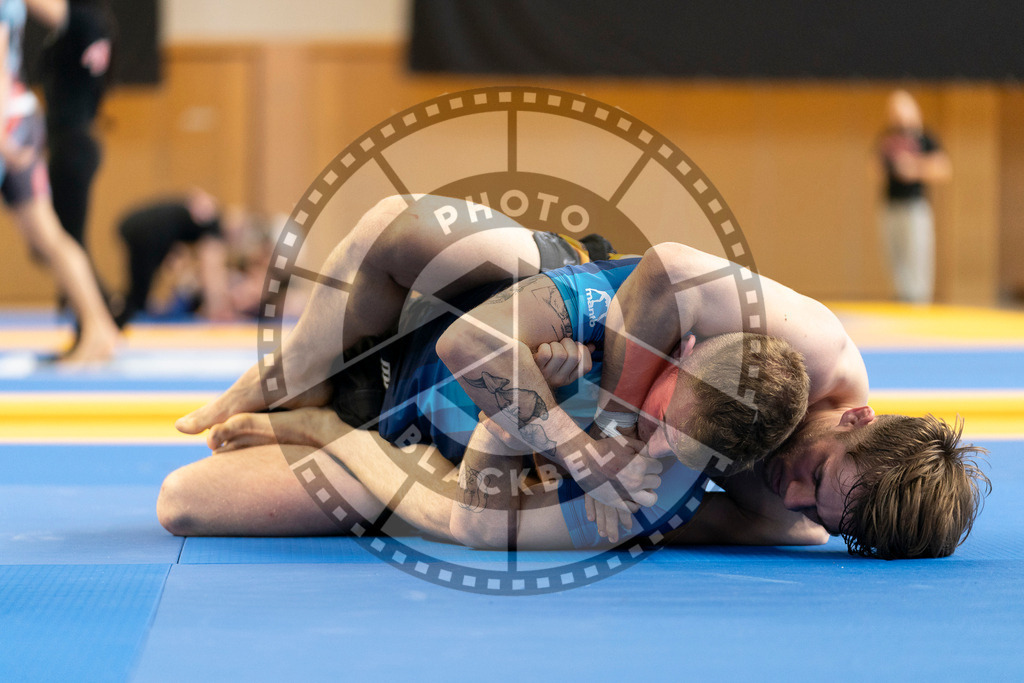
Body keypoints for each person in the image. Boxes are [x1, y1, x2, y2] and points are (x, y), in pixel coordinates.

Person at [173, 194, 989, 558]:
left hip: (459, 441)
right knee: (394, 227)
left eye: (828, 521)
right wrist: (604, 421)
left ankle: (330, 423)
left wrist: (543, 462)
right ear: (856, 417)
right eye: (816, 475)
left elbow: (522, 520)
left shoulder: (772, 519)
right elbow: (664, 268)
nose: (799, 497)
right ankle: (294, 382)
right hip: (551, 309)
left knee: (188, 502)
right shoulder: (814, 346)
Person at [1, 0, 117, 362]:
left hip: (29, 127)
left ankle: (99, 325)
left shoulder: (82, 19)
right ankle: (100, 325)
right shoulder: (96, 23)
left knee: (60, 236)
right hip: (32, 122)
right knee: (52, 237)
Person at [30, 0, 115, 251]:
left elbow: (46, 9)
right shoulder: (90, 23)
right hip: (71, 143)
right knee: (57, 244)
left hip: (74, 145)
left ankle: (100, 293)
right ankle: (90, 292)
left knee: (65, 244)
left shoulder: (82, 19)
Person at [116, 188, 243, 325]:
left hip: (136, 226)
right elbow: (211, 269)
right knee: (140, 292)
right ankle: (126, 318)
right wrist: (217, 308)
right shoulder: (214, 225)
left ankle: (125, 314)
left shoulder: (203, 218)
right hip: (144, 231)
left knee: (139, 289)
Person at [878, 90, 952, 304]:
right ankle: (902, 298)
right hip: (891, 204)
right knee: (895, 257)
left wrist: (914, 167)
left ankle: (919, 301)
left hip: (914, 205)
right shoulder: (888, 138)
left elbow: (944, 168)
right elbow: (874, 165)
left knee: (917, 256)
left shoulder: (925, 138)